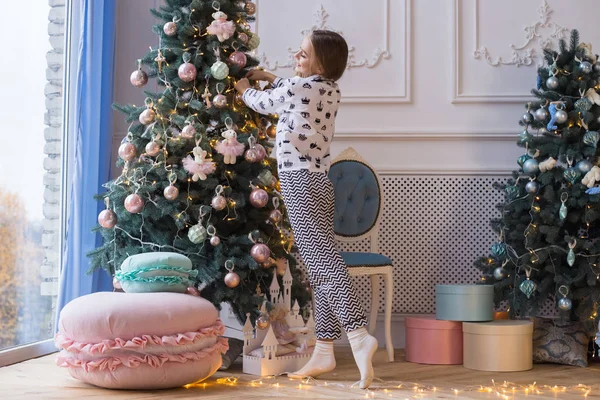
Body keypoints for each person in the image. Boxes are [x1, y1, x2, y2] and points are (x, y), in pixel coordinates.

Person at [234, 30, 378, 389]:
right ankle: (324, 350)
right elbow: (294, 89)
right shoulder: (328, 89)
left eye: (302, 54)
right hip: (320, 182)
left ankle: (358, 334)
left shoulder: (299, 89)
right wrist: (272, 77)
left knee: (324, 263)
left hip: (300, 182)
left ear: (321, 63)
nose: (296, 57)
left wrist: (243, 90)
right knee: (319, 264)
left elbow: (265, 103)